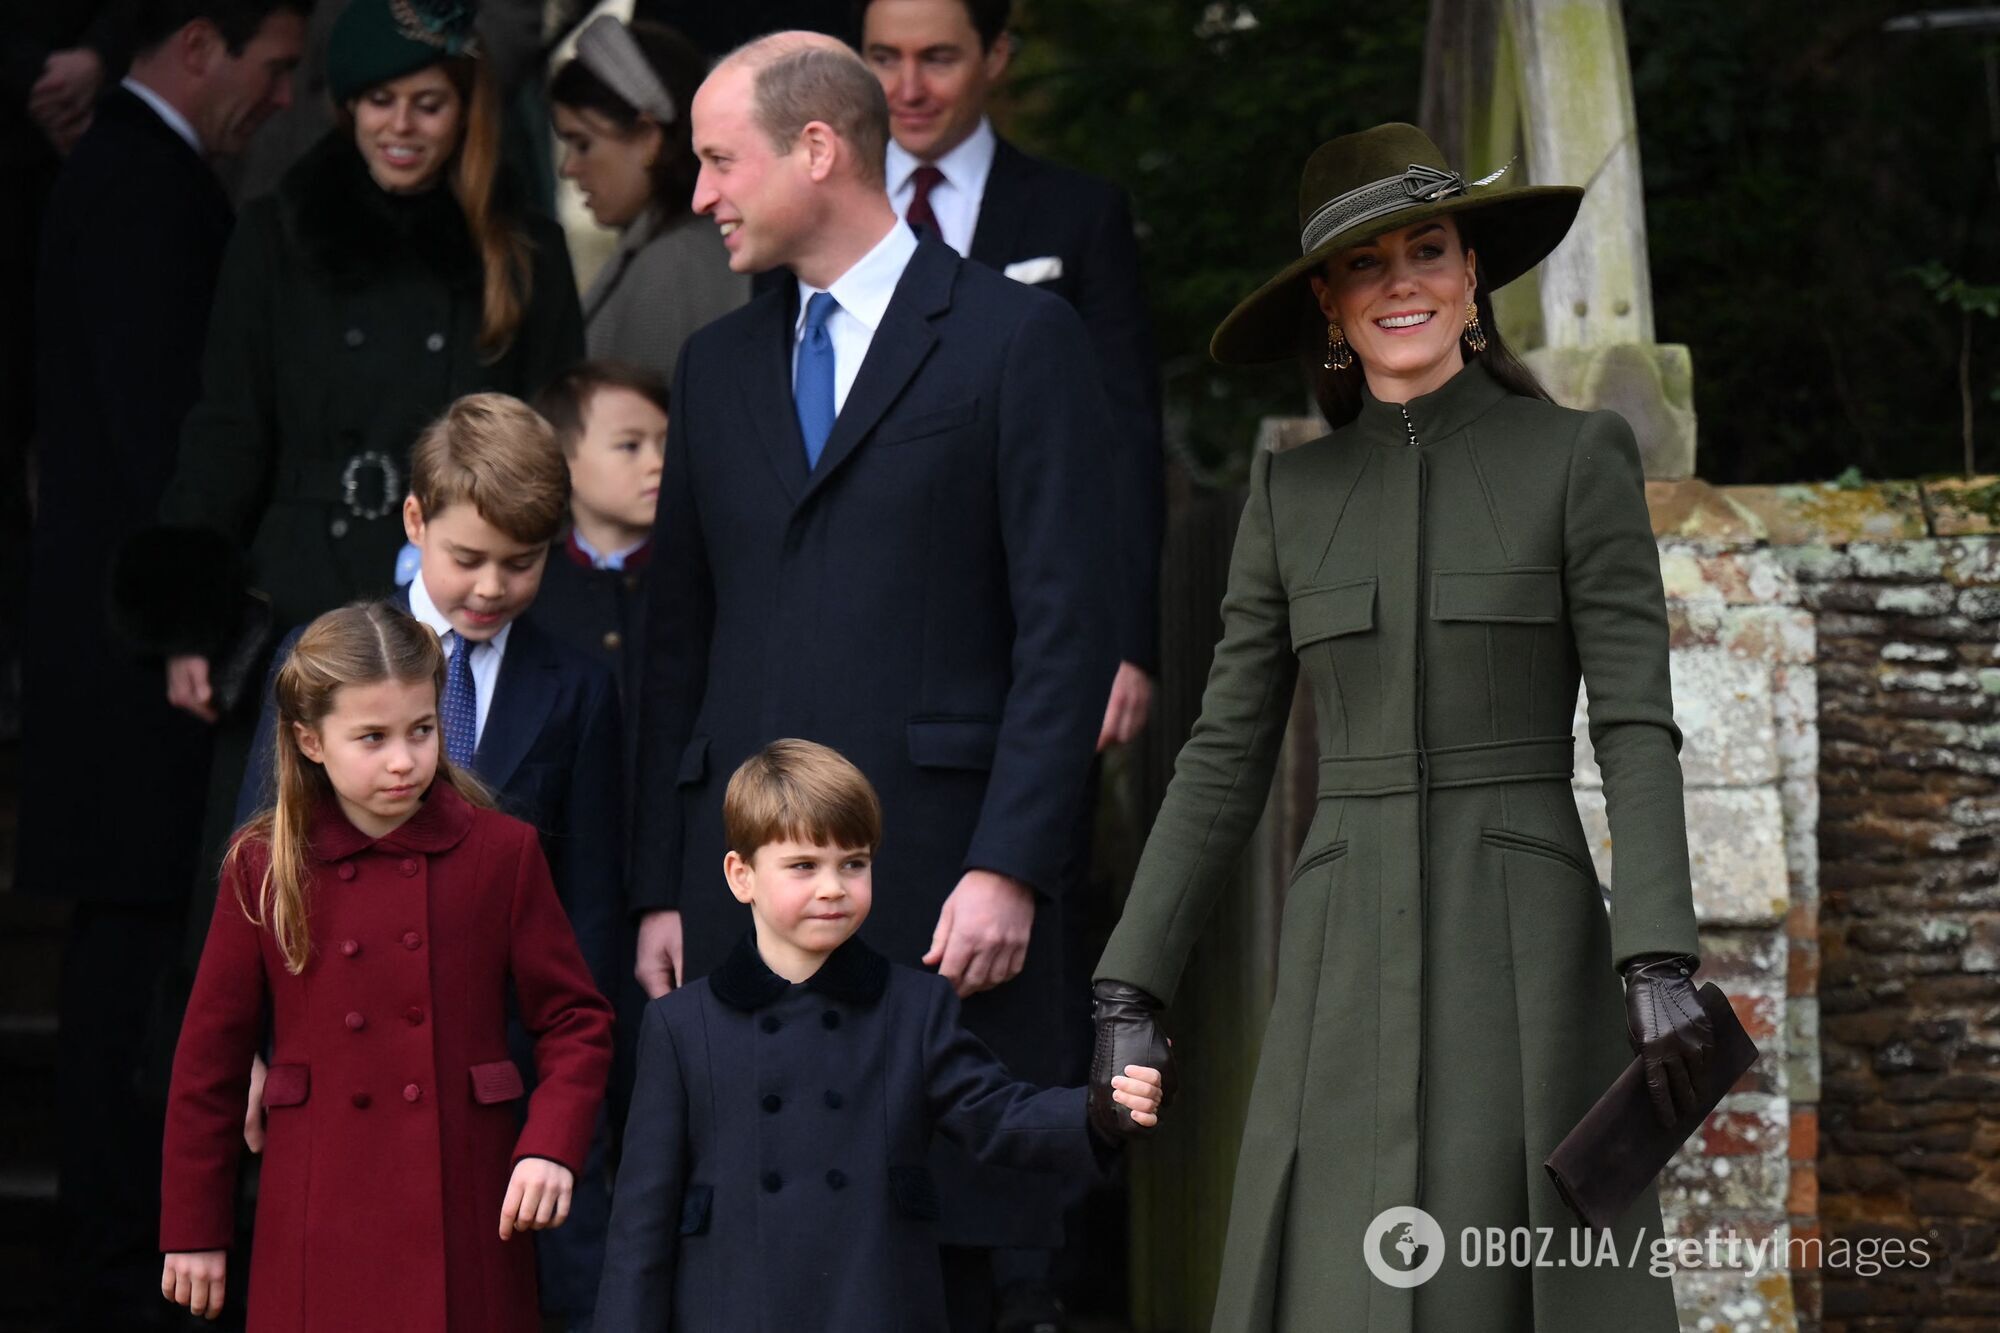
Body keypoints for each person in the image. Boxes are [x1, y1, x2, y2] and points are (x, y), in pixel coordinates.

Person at [1085, 123, 1718, 1331]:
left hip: (1526, 951)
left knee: (1516, 1278)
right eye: (1366, 265)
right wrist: (1130, 982)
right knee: (1342, 1282)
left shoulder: (1575, 457)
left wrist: (1654, 956)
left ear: (1469, 270)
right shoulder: (1289, 495)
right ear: (1327, 299)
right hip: (1339, 953)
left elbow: (1636, 724)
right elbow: (1223, 756)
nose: (1401, 285)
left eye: (1425, 250)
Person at [627, 33, 1115, 1330]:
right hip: (742, 910)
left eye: (721, 160)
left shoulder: (1019, 338)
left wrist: (1012, 861)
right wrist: (665, 886)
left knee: (956, 1268)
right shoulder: (717, 367)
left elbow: (1068, 632)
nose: (700, 193)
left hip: (945, 893)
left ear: (819, 150)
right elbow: (680, 641)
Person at [16, 3, 306, 1326]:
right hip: (134, 651)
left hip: (117, 640)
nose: (282, 94)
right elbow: (158, 439)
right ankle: (116, 1247)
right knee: (131, 949)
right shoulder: (145, 188)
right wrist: (195, 622)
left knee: (127, 943)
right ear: (203, 43)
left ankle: (118, 1240)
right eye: (277, 67)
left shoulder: (130, 175)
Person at [236, 393, 626, 1330]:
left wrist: (570, 1105)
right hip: (343, 1078)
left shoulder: (577, 687)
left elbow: (593, 906)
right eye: (468, 558)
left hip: (497, 1087)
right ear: (415, 520)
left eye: (522, 563)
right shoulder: (321, 658)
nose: (491, 587)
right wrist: (258, 1043)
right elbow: (263, 863)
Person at [596, 739, 1164, 1331]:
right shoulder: (683, 1024)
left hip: (875, 1301)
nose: (833, 887)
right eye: (803, 866)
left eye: (854, 863)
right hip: (734, 1305)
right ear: (742, 877)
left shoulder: (914, 1009)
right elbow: (641, 1221)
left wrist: (1100, 1108)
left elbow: (995, 1114)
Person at [159, 601, 613, 1331]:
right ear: (310, 739)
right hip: (316, 1210)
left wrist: (551, 1145)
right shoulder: (263, 866)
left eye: (422, 730)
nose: (404, 760)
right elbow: (208, 1064)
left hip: (467, 1207)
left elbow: (574, 1019)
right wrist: (194, 1229)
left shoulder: (502, 852)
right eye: (372, 737)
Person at [859, 0, 1162, 751]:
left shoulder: (1080, 215)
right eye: (882, 58)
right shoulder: (818, 214)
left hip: (1034, 638)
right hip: (860, 621)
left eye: (938, 57)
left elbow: (1121, 436)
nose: (907, 86)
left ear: (996, 55)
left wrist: (1126, 641)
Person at [551, 16, 747, 384]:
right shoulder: (674, 248)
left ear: (647, 137)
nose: (569, 168)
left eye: (582, 144)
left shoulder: (675, 266)